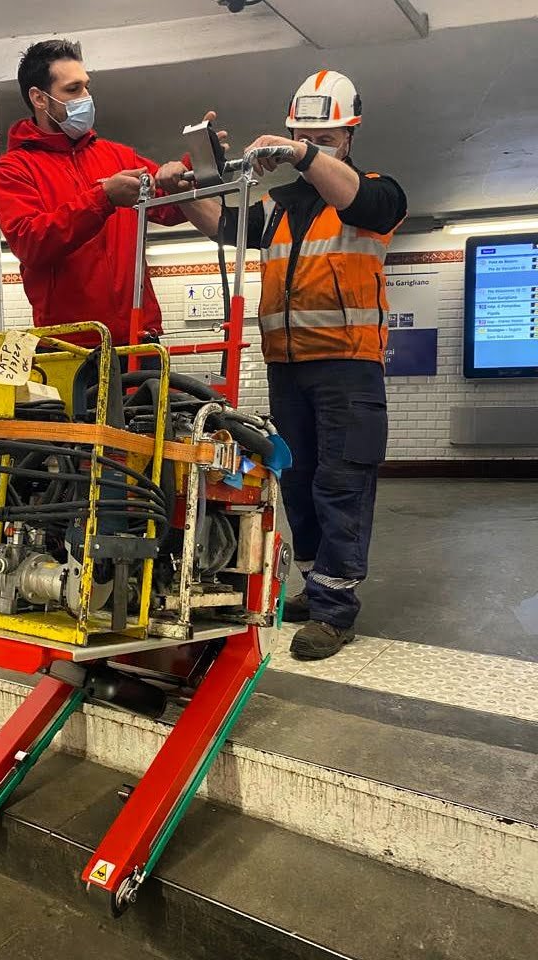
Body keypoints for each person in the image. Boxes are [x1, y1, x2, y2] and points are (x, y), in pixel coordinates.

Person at [156, 71, 407, 660]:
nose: (317, 143)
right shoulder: (278, 206)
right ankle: (319, 589)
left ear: (349, 135)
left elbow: (357, 199)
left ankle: (336, 609)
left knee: (342, 483)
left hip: (348, 368)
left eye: (327, 136)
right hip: (287, 368)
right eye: (304, 132)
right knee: (297, 481)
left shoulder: (376, 193)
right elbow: (225, 227)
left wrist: (300, 153)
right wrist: (186, 190)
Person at [0, 39, 214, 350]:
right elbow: (31, 242)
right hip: (72, 346)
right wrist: (103, 199)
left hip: (140, 339)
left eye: (86, 87)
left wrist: (195, 167)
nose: (86, 97)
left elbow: (170, 210)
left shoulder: (118, 157)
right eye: (73, 89)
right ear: (39, 98)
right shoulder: (13, 170)